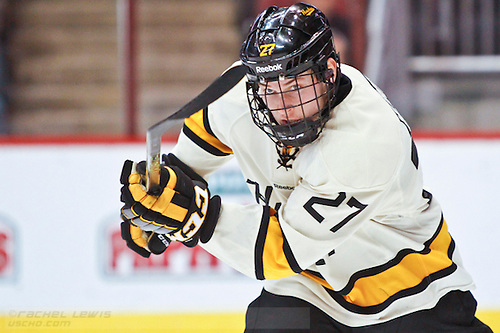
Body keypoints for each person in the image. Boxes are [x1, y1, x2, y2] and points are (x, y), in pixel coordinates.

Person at [119, 3, 492, 332]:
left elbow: (278, 249)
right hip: (307, 288)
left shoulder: (366, 141)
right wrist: (158, 202)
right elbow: (203, 137)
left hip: (410, 295)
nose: (280, 104)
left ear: (329, 71)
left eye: (296, 85)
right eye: (268, 87)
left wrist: (192, 218)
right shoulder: (244, 89)